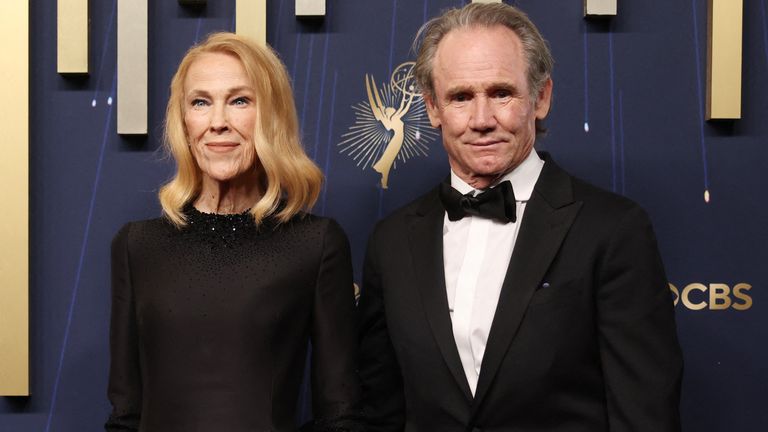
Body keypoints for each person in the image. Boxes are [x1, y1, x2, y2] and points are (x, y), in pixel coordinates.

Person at [358, 3, 683, 431]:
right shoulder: (392, 241)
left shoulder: (613, 230)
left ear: (541, 98)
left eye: (501, 93)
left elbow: (645, 415)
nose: (481, 120)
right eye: (460, 97)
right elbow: (380, 410)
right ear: (433, 108)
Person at [106, 32, 361, 432]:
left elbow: (339, 416)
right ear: (184, 122)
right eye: (200, 102)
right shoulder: (137, 246)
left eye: (240, 101)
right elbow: (125, 416)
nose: (218, 123)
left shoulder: (316, 244)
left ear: (270, 116)